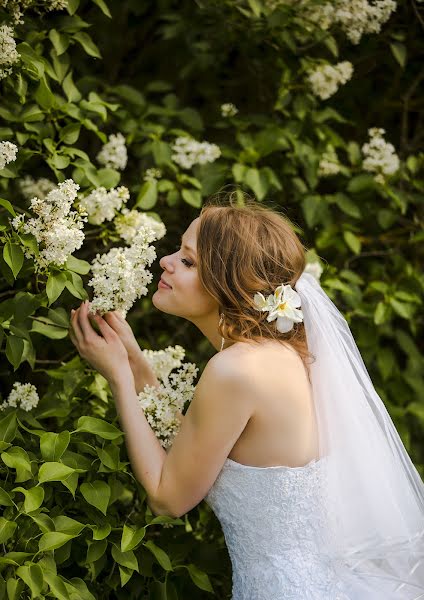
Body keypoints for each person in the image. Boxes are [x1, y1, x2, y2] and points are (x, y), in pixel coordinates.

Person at [70, 191, 424, 599]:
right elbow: (200, 448)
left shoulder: (234, 370)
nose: (165, 262)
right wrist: (136, 367)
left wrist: (117, 378)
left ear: (228, 284)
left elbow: (168, 497)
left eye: (187, 261)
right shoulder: (283, 356)